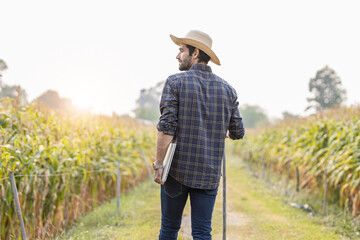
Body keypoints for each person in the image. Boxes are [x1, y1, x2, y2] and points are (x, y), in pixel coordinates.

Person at [153, 30, 245, 240]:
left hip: (176, 171)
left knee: (169, 229)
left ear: (195, 53)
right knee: (203, 232)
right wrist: (215, 130)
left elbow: (166, 128)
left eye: (181, 50)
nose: (178, 55)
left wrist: (159, 165)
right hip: (208, 174)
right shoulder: (228, 90)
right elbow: (238, 132)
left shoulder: (175, 82)